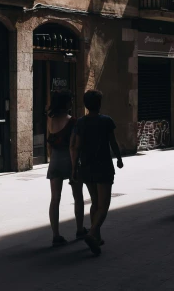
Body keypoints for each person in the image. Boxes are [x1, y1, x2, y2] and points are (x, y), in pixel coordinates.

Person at [71, 89, 123, 255]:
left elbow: (77, 147)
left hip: (86, 167)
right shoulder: (106, 121)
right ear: (99, 104)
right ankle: (92, 233)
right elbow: (113, 142)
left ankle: (97, 237)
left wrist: (74, 169)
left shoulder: (80, 122)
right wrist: (119, 158)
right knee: (104, 205)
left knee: (95, 202)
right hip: (103, 166)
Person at [45, 90, 86, 246]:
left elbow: (50, 142)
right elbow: (73, 146)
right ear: (66, 103)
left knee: (55, 199)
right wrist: (75, 166)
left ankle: (56, 235)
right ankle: (80, 229)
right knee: (78, 196)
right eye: (70, 101)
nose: (71, 103)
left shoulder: (50, 119)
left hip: (55, 160)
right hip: (70, 160)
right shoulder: (73, 121)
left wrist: (51, 160)